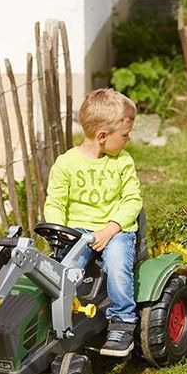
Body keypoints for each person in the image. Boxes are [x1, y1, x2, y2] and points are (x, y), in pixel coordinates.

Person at [44, 88, 142, 356]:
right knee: (64, 271)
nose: (128, 139)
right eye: (124, 134)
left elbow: (133, 201)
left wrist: (110, 229)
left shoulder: (122, 162)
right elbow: (55, 203)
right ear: (102, 137)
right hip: (77, 231)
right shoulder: (66, 164)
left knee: (117, 264)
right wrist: (60, 233)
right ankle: (61, 316)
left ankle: (123, 321)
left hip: (116, 229)